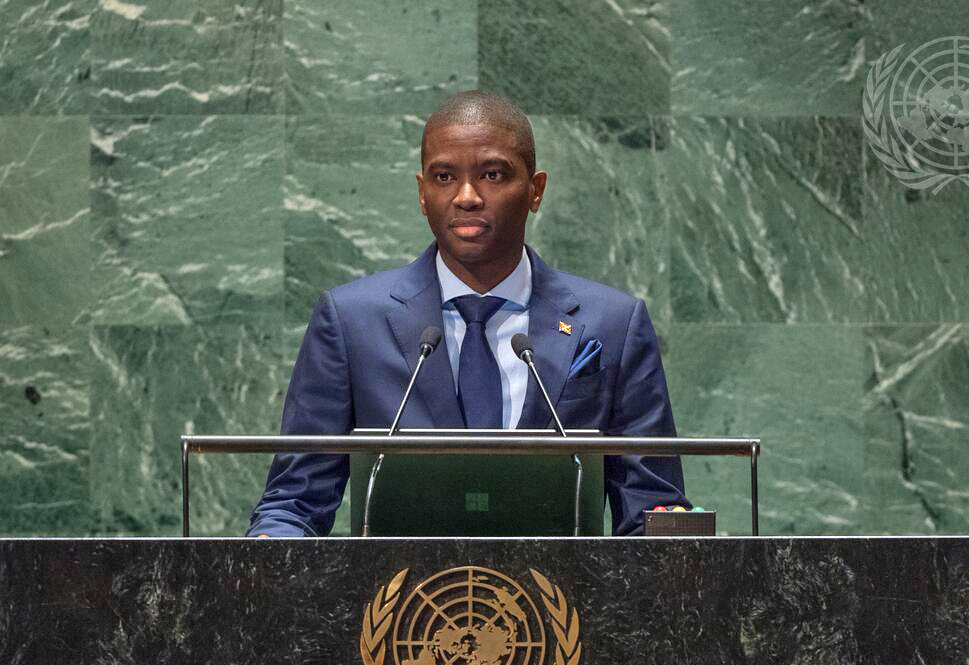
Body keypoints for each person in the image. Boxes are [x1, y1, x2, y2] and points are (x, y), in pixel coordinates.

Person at [247, 90, 688, 537]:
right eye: (443, 177)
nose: (467, 197)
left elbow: (652, 508)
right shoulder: (350, 322)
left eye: (492, 174)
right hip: (398, 601)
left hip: (560, 602)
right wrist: (267, 555)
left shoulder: (613, 324)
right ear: (422, 194)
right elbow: (295, 502)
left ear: (535, 191)